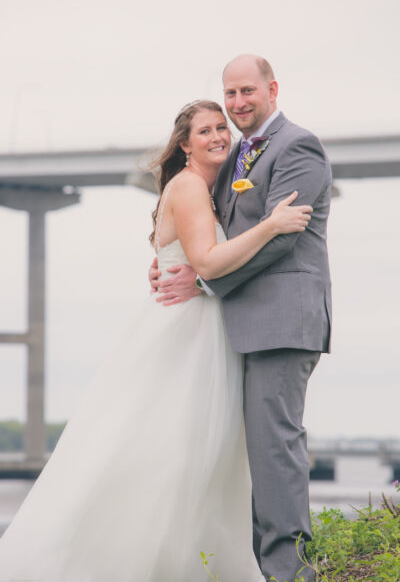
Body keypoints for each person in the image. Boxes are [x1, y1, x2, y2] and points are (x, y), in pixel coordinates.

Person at [0, 100, 312, 582]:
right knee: (166, 448)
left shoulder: (211, 189)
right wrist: (271, 224)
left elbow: (197, 259)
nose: (216, 136)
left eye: (220, 129)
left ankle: (195, 558)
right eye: (204, 131)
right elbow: (207, 263)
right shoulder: (189, 187)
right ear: (185, 146)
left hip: (206, 328)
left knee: (199, 453)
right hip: (183, 332)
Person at [150, 56, 332, 582]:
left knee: (275, 447)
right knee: (245, 452)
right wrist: (172, 261)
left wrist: (203, 279)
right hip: (237, 323)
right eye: (229, 94)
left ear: (272, 89)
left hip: (282, 319)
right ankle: (255, 566)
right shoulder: (236, 157)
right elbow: (210, 230)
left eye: (246, 91)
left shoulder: (297, 145)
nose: (237, 104)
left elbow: (283, 238)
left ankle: (290, 574)